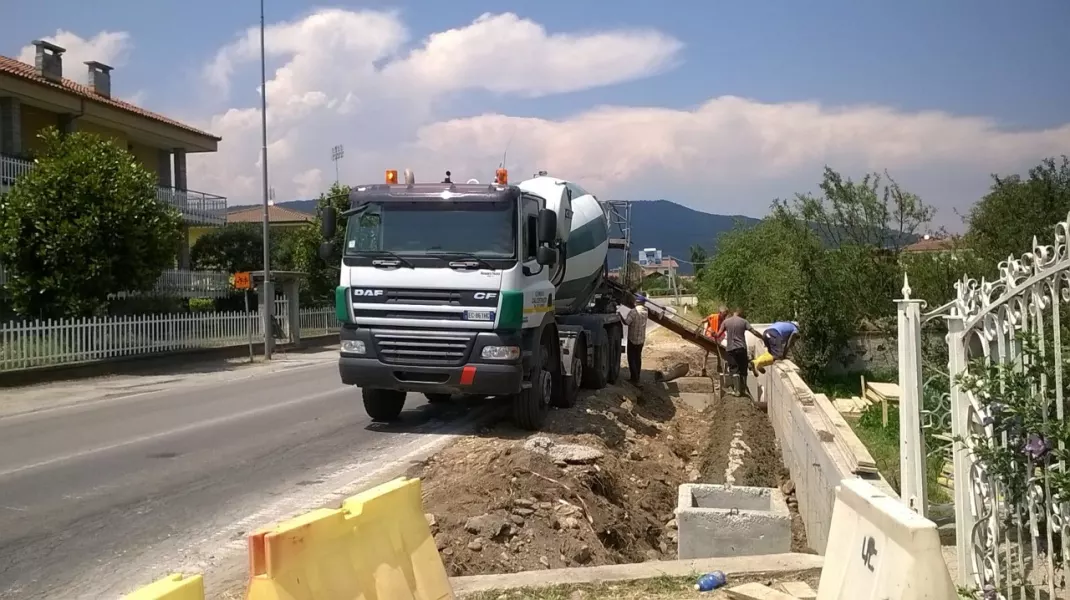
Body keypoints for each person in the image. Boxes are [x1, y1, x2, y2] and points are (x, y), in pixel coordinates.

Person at [717, 308, 766, 396]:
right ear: (741, 314)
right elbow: (754, 332)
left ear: (733, 313)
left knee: (734, 369)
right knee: (743, 368)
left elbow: (718, 334)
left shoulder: (726, 322)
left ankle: (737, 391)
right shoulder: (744, 321)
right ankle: (743, 389)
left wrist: (713, 334)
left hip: (730, 349)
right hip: (741, 348)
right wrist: (762, 337)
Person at [624, 294, 649, 385]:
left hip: (632, 339)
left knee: (631, 358)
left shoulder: (633, 312)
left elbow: (627, 322)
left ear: (636, 302)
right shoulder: (646, 311)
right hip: (641, 339)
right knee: (638, 358)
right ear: (643, 303)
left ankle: (634, 378)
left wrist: (620, 316)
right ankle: (637, 376)